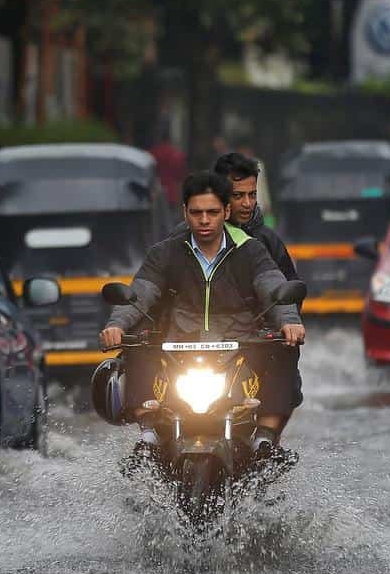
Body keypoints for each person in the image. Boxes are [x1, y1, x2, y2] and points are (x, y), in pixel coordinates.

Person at [99, 171, 304, 456]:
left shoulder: (251, 251)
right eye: (196, 212)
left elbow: (273, 286)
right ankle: (148, 436)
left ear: (226, 212)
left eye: (212, 212)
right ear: (185, 212)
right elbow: (140, 294)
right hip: (176, 352)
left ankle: (265, 440)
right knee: (137, 344)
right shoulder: (164, 253)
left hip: (240, 350)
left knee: (284, 348)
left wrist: (290, 323)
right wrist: (116, 325)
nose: (204, 220)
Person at [147, 123, 187, 208]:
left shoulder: (152, 154)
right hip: (172, 195)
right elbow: (180, 179)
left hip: (156, 195)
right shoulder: (178, 155)